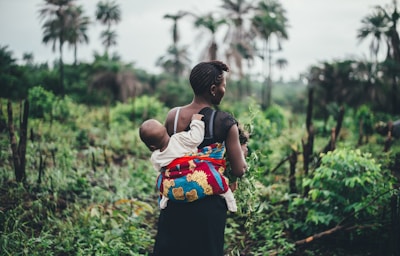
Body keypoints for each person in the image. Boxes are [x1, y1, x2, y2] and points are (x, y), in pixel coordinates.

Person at [152, 60, 247, 256]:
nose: (224, 90)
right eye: (223, 86)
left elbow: (168, 153)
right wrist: (242, 153)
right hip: (208, 207)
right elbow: (239, 170)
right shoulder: (225, 122)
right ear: (213, 89)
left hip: (175, 201)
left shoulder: (173, 116)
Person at [139, 114, 238, 212]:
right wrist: (196, 121)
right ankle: (229, 198)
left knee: (161, 179)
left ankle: (165, 197)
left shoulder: (155, 157)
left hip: (175, 179)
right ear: (165, 130)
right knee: (213, 175)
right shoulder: (178, 139)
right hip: (192, 171)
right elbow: (196, 138)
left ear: (151, 147)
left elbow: (161, 169)